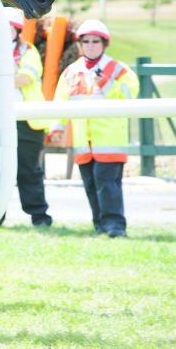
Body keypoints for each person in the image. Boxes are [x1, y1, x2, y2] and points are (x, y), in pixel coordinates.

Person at [48, 19, 139, 238]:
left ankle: (115, 227)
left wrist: (106, 83)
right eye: (86, 41)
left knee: (106, 183)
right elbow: (61, 101)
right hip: (83, 142)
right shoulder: (71, 72)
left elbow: (130, 95)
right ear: (80, 44)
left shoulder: (118, 69)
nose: (90, 45)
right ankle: (100, 226)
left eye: (95, 41)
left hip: (109, 140)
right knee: (90, 184)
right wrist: (56, 128)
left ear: (104, 44)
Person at [0, 7, 52, 226]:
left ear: (17, 31)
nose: (4, 33)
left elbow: (25, 78)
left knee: (29, 170)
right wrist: (7, 75)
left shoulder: (28, 51)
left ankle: (39, 216)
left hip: (24, 120)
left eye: (9, 29)